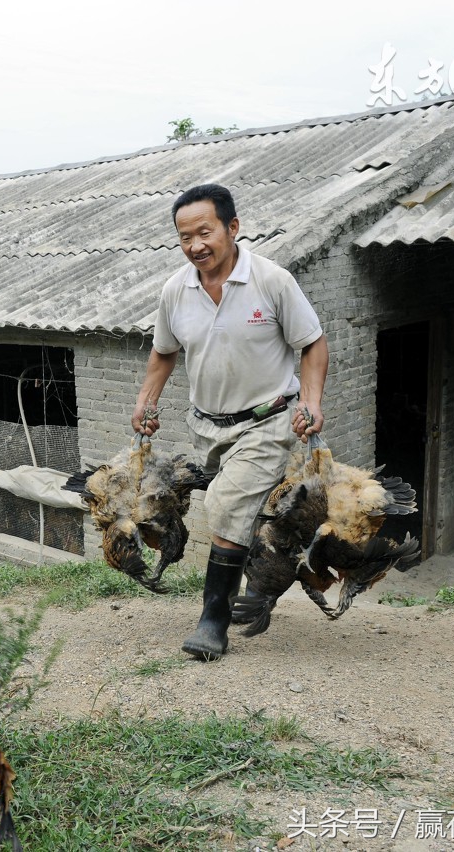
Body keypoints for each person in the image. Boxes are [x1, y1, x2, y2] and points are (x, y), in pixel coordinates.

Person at [132, 183, 327, 661]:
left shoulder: (272, 281)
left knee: (224, 503)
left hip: (268, 420)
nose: (195, 245)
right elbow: (163, 353)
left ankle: (212, 619)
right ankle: (258, 569)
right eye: (184, 237)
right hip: (207, 427)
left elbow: (313, 344)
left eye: (205, 232)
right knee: (231, 509)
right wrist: (145, 402)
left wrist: (312, 400)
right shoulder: (175, 291)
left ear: (232, 228)